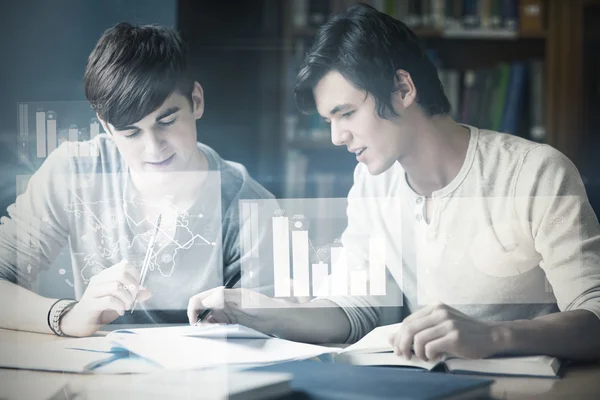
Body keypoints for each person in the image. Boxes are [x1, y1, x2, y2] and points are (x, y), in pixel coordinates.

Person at [191, 4, 600, 361]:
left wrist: (493, 337)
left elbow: (595, 316)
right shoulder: (372, 183)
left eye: (346, 113)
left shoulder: (536, 173)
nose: (336, 137)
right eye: (329, 121)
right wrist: (252, 310)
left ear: (403, 89)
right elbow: (357, 309)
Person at [0, 22, 274, 337]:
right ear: (106, 126)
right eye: (130, 132)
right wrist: (66, 317)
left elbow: (269, 330)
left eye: (167, 121)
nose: (153, 148)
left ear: (196, 101)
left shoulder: (247, 204)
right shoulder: (74, 173)